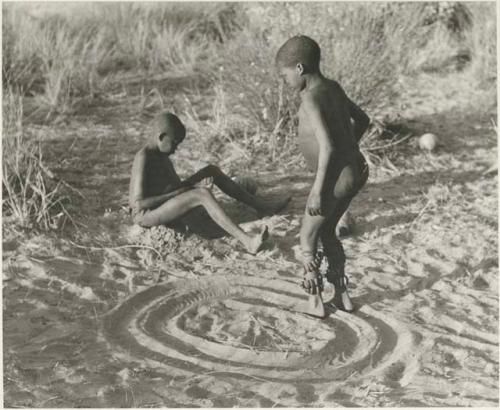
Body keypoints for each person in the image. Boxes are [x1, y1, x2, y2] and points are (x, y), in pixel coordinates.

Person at [275, 35, 370, 311]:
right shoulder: (334, 88)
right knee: (327, 230)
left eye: (285, 76)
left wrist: (317, 191)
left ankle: (315, 299)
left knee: (307, 236)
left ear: (300, 69)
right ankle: (343, 295)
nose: (285, 82)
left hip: (336, 179)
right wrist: (350, 148)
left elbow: (327, 146)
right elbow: (363, 120)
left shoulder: (311, 99)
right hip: (356, 171)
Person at [129, 112, 290, 255]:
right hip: (147, 214)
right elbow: (138, 204)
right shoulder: (143, 157)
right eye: (175, 143)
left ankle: (262, 206)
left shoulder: (162, 155)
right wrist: (182, 193)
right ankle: (247, 242)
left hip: (169, 199)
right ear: (161, 137)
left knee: (211, 170)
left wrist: (187, 189)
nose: (176, 149)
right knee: (202, 194)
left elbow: (173, 187)